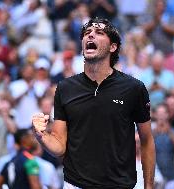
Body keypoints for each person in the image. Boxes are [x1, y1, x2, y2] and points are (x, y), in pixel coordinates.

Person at [32, 18, 155, 189]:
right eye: (87, 33)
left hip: (119, 185)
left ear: (113, 47)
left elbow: (147, 141)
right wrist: (42, 136)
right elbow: (60, 146)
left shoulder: (134, 88)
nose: (90, 36)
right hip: (75, 185)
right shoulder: (64, 88)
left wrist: (149, 186)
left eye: (99, 33)